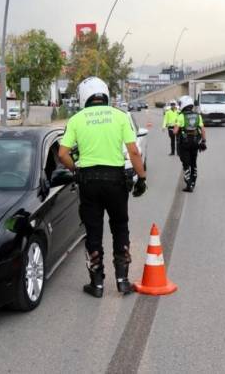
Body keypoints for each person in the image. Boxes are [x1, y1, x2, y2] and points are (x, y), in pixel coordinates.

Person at [58, 76, 147, 298]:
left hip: (89, 181)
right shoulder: (119, 116)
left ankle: (96, 284)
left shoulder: (77, 119)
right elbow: (134, 151)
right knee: (120, 226)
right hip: (116, 180)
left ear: (83, 97)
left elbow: (62, 154)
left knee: (93, 231)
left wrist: (76, 171)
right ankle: (123, 281)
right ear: (105, 94)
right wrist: (142, 178)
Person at [173, 95, 207, 193]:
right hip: (196, 143)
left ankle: (188, 184)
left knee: (186, 164)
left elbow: (175, 131)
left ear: (183, 105)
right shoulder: (198, 116)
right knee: (193, 163)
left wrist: (175, 125)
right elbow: (203, 130)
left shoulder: (181, 116)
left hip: (184, 144)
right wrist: (204, 141)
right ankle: (193, 182)